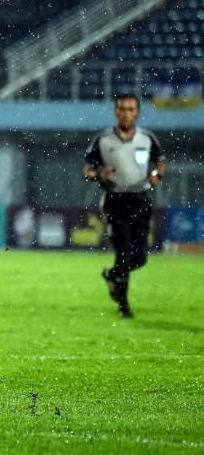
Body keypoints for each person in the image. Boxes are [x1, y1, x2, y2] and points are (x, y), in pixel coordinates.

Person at [83, 93, 165, 318]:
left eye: (131, 109)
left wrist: (157, 175)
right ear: (115, 112)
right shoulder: (103, 140)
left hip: (140, 199)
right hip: (115, 201)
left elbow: (159, 164)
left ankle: (112, 275)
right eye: (122, 109)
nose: (127, 113)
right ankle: (124, 306)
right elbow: (88, 171)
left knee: (140, 258)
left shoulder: (147, 138)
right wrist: (99, 173)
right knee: (124, 253)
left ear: (137, 113)